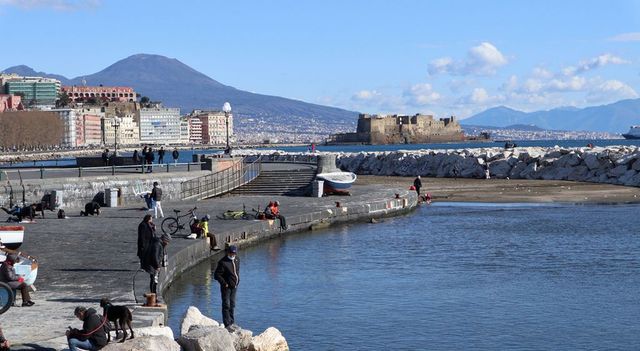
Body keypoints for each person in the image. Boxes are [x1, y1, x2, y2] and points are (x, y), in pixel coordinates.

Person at [137, 215, 170, 295]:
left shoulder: (150, 226)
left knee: (154, 279)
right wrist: (157, 266)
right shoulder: (143, 225)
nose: (168, 243)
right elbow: (155, 256)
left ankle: (154, 294)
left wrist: (153, 228)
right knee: (153, 279)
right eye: (167, 241)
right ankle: (153, 294)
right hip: (145, 245)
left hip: (149, 247)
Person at [214, 245, 240, 332]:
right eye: (232, 253)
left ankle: (232, 322)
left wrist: (237, 281)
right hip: (226, 288)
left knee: (232, 304)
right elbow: (217, 275)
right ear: (228, 252)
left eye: (234, 253)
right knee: (226, 305)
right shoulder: (223, 262)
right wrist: (224, 283)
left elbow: (236, 272)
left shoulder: (237, 260)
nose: (233, 254)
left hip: (234, 286)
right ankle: (227, 324)